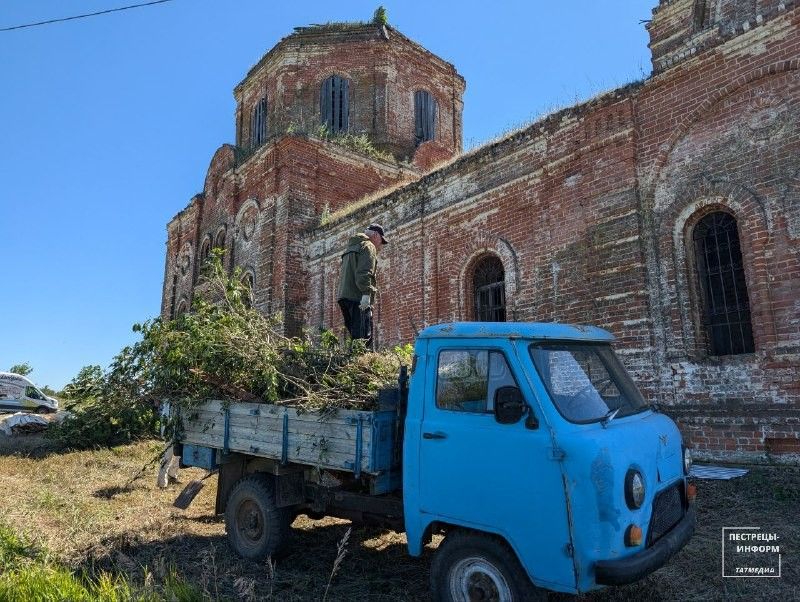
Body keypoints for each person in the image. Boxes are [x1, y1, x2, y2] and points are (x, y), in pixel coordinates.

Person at [337, 223, 388, 349]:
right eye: (381, 241)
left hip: (344, 297)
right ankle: (362, 365)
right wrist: (366, 294)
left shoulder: (351, 247)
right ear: (376, 235)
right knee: (364, 337)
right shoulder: (368, 246)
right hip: (358, 298)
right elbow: (364, 273)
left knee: (355, 337)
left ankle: (354, 362)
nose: (380, 246)